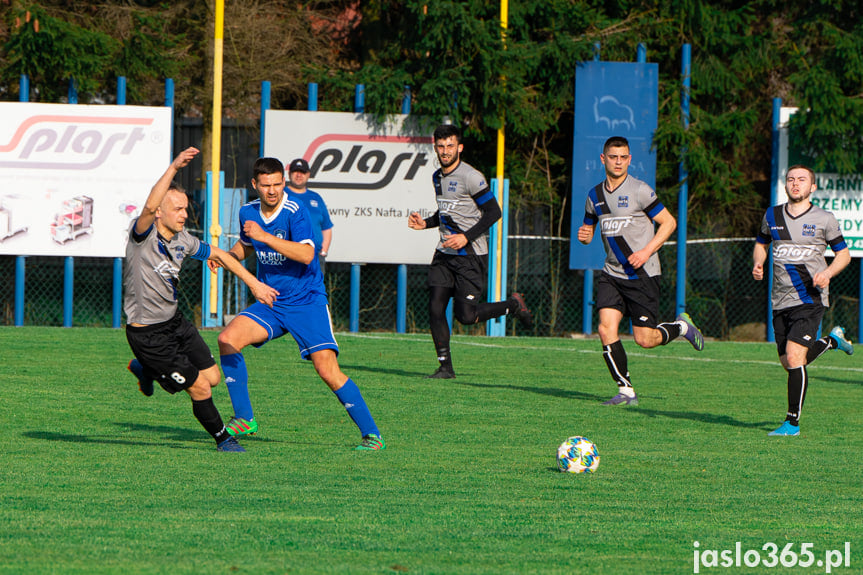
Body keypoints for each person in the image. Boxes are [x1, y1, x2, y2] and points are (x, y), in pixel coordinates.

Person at [214, 157, 385, 450]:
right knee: (227, 339)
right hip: (271, 300)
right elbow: (246, 245)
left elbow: (307, 255)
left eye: (277, 184)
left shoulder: (296, 210)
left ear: (284, 182)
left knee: (327, 370)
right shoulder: (247, 212)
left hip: (306, 302)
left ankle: (372, 435)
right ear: (255, 185)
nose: (272, 191)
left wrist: (264, 236)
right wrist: (227, 256)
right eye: (266, 185)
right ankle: (244, 418)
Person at [124, 146, 278, 452]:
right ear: (160, 212)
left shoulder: (184, 239)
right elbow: (147, 206)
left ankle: (146, 369)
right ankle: (224, 439)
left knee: (213, 377)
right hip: (148, 335)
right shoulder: (142, 237)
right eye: (178, 209)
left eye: (185, 208)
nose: (185, 214)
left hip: (176, 324)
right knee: (200, 386)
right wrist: (174, 167)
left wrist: (254, 284)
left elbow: (220, 254)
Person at [577, 136, 705, 406]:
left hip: (643, 274)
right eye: (613, 157)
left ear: (629, 159)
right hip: (612, 273)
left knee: (644, 340)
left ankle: (681, 328)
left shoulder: (640, 191)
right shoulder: (594, 196)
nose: (618, 162)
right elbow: (588, 231)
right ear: (603, 159)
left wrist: (646, 251)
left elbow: (668, 223)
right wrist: (585, 236)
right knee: (605, 328)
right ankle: (626, 392)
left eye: (623, 157)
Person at [408, 124, 533, 379]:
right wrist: (426, 224)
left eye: (450, 146)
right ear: (435, 147)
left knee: (466, 317)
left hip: (471, 255)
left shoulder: (471, 177)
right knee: (435, 308)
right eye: (441, 146)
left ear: (460, 148)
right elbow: (446, 214)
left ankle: (512, 305)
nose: (445, 151)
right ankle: (445, 367)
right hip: (445, 254)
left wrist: (466, 237)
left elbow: (494, 212)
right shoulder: (437, 177)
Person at [753, 164, 853, 437]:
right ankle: (833, 341)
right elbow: (761, 243)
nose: (795, 184)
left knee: (796, 357)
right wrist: (758, 263)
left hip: (809, 298)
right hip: (779, 300)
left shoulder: (824, 219)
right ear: (785, 185)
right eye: (791, 179)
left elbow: (843, 254)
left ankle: (792, 424)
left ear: (813, 187)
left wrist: (828, 272)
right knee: (790, 362)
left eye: (801, 180)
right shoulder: (772, 215)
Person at [286, 158, 334, 274]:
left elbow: (326, 227)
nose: (299, 175)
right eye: (295, 172)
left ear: (308, 175)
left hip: (315, 258)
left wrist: (323, 252)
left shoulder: (316, 198)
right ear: (289, 174)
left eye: (302, 172)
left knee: (314, 292)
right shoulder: (282, 195)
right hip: (288, 257)